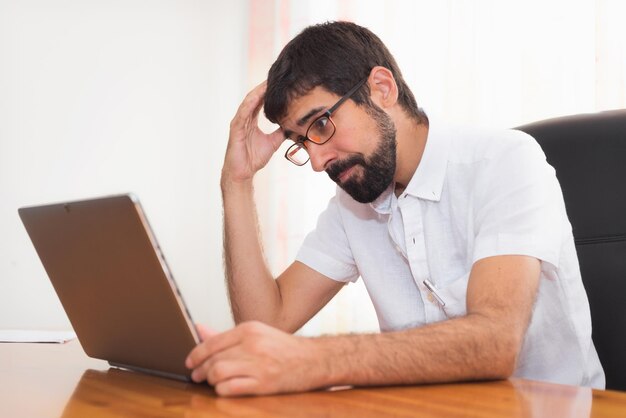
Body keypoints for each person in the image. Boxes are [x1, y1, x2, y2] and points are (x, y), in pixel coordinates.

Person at [185, 21, 605, 396]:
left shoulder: (505, 161)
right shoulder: (353, 202)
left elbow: (495, 342)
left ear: (382, 89)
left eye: (321, 125)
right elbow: (267, 322)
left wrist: (309, 360)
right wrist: (236, 183)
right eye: (300, 142)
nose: (316, 161)